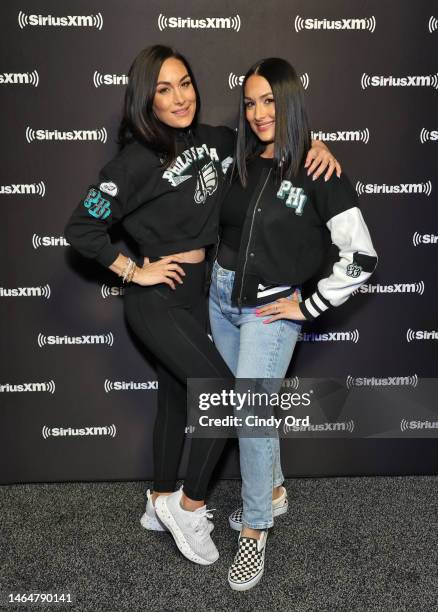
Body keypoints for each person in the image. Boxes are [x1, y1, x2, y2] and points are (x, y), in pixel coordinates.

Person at [64, 45, 340, 568]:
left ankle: (158, 500)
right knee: (219, 399)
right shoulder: (130, 163)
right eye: (164, 89)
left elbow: (269, 138)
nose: (179, 97)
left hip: (200, 293)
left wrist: (314, 145)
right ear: (146, 100)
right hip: (158, 297)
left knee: (174, 398)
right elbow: (80, 227)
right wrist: (131, 269)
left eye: (185, 83)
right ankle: (189, 507)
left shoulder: (212, 140)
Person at [208, 57, 378, 591]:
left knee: (252, 416)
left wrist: (306, 307)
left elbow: (363, 257)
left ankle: (256, 528)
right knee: (248, 409)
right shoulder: (237, 153)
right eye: (251, 102)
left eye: (271, 102)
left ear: (290, 102)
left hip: (269, 311)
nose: (260, 113)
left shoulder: (320, 169)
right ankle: (275, 492)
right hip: (220, 301)